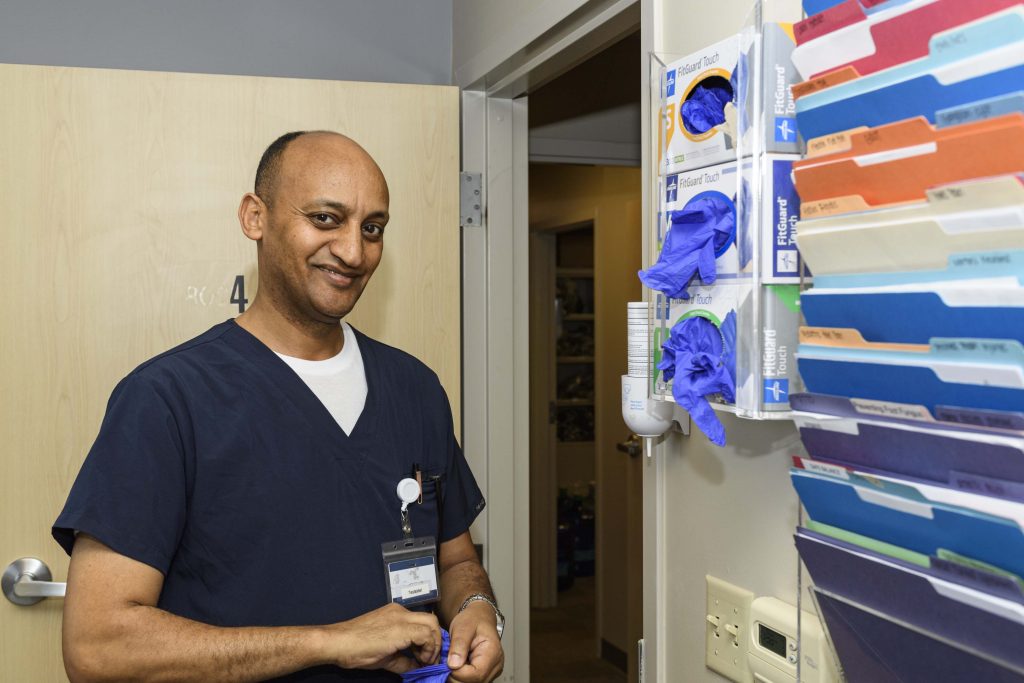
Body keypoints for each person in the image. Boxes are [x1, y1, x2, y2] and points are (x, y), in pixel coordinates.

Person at [52, 131, 504, 683]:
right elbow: (97, 648)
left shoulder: (414, 388)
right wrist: (328, 643)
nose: (354, 252)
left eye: (372, 229)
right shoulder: (167, 400)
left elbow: (454, 559)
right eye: (325, 219)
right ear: (254, 217)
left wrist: (475, 607)